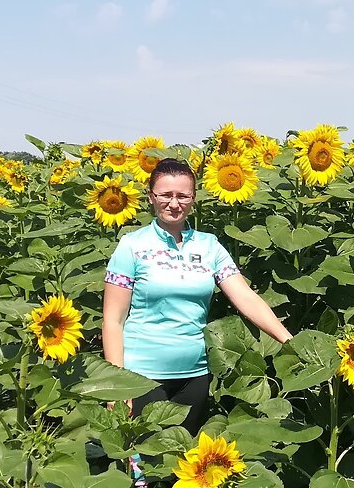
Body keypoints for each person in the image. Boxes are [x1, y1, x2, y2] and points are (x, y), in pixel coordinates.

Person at [102, 158, 293, 437]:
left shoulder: (208, 245)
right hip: (140, 376)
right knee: (144, 470)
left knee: (183, 465)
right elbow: (113, 321)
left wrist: (288, 341)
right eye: (166, 195)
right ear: (151, 197)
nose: (174, 203)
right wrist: (116, 385)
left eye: (183, 195)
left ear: (193, 199)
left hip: (194, 376)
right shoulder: (132, 246)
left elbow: (244, 296)